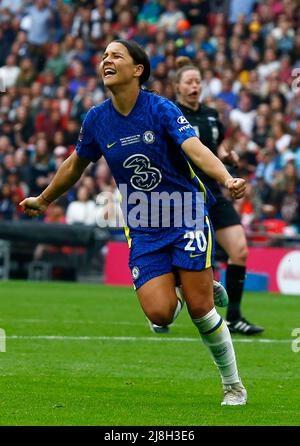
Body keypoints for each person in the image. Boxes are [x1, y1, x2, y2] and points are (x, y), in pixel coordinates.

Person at [20, 39, 247, 405]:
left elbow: (194, 148)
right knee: (160, 314)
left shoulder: (160, 109)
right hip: (143, 222)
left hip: (185, 211)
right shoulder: (97, 119)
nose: (106, 61)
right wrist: (44, 199)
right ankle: (196, 280)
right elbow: (75, 165)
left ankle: (233, 385)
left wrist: (226, 179)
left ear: (137, 70)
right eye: (105, 56)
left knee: (201, 310)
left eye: (116, 56)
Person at [171, 56, 264, 335]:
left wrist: (228, 155)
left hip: (212, 191)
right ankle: (164, 304)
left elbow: (216, 146)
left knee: (239, 250)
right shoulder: (170, 114)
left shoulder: (212, 115)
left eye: (198, 81)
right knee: (183, 259)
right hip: (184, 196)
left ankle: (234, 317)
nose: (194, 86)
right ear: (177, 87)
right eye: (189, 81)